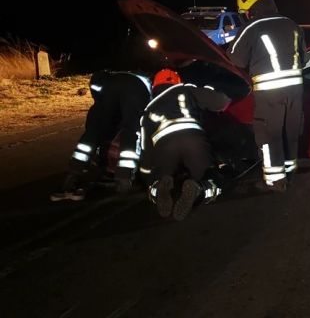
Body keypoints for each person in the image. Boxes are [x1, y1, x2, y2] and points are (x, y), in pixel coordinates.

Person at [228, 0, 306, 192]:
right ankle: (289, 171)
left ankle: (274, 181)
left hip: (269, 91)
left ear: (250, 9)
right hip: (296, 90)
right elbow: (304, 58)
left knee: (268, 134)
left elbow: (235, 58)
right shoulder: (292, 24)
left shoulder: (251, 27)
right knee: (290, 131)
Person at [139, 68, 230, 220]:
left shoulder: (148, 110)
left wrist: (147, 174)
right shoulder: (185, 90)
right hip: (193, 138)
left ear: (154, 87)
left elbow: (146, 149)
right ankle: (200, 189)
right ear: (177, 81)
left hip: (163, 145)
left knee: (157, 180)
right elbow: (221, 101)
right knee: (211, 178)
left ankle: (158, 188)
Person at [50, 70, 151, 201]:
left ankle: (73, 176)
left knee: (93, 133)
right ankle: (124, 179)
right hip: (134, 90)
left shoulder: (107, 84)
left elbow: (98, 127)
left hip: (109, 89)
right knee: (130, 132)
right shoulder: (142, 85)